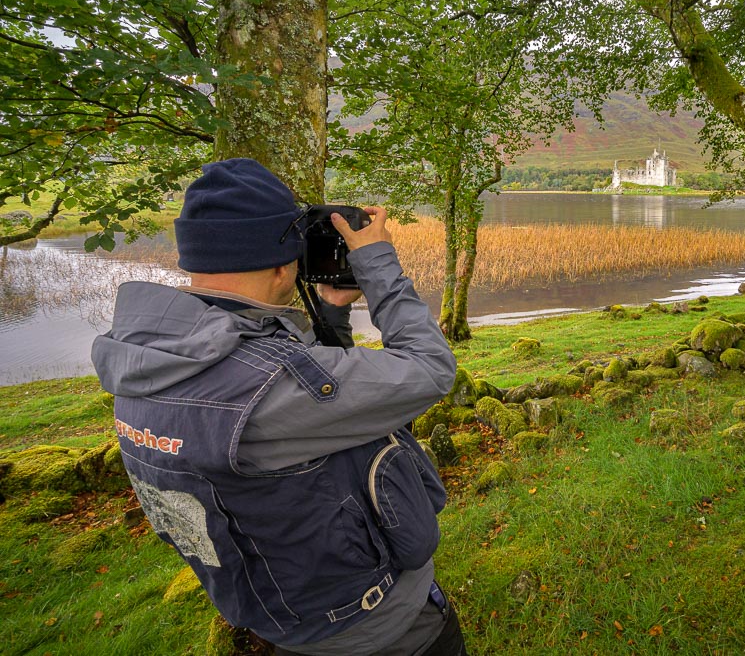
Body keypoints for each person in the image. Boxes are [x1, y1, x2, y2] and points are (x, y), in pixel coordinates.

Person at [91, 158, 466, 656]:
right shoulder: (267, 388)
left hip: (283, 614)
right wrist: (378, 264)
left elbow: (309, 394)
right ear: (279, 262)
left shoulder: (149, 355)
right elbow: (429, 368)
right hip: (379, 628)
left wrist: (329, 312)